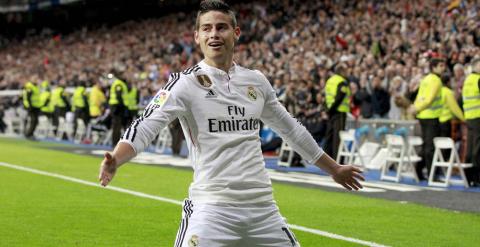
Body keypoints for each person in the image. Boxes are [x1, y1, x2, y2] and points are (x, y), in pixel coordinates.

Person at [98, 1, 364, 246]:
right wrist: (117, 159)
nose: (214, 34)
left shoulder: (256, 81)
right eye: (207, 28)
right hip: (212, 209)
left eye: (221, 27)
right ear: (197, 37)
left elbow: (291, 129)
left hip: (262, 209)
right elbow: (146, 124)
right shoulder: (185, 83)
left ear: (236, 33)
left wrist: (334, 169)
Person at [408, 58, 446, 180]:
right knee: (430, 147)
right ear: (433, 67)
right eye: (440, 65)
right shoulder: (436, 80)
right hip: (431, 116)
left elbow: (420, 97)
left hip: (423, 116)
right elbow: (429, 100)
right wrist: (416, 109)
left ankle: (418, 171)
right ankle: (431, 174)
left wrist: (416, 108)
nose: (443, 68)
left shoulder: (426, 79)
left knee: (426, 146)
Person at [323, 63, 351, 160]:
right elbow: (339, 97)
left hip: (330, 111)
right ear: (342, 71)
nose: (347, 73)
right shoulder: (342, 82)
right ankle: (337, 160)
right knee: (338, 137)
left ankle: (327, 159)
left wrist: (327, 110)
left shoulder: (330, 80)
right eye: (346, 71)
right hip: (339, 112)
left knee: (329, 135)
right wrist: (332, 110)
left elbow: (326, 97)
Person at [462, 58, 480, 187]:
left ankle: (468, 177)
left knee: (470, 148)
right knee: (478, 148)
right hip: (479, 116)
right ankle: (476, 177)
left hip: (469, 116)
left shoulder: (468, 80)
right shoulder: (478, 79)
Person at [108, 74, 128, 146]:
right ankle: (115, 143)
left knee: (117, 125)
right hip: (117, 107)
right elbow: (118, 95)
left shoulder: (117, 83)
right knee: (117, 125)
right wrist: (122, 105)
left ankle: (115, 142)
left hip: (115, 106)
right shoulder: (119, 84)